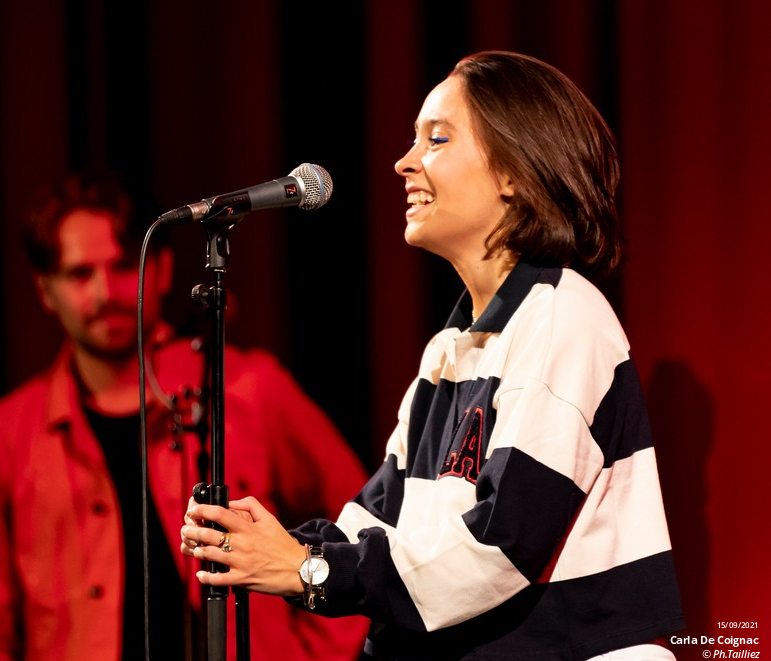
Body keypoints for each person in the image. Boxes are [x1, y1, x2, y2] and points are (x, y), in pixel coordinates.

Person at [180, 51, 685, 661]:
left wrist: (309, 570)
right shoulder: (449, 351)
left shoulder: (563, 315)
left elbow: (502, 545)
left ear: (514, 172)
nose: (404, 162)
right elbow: (380, 522)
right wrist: (270, 543)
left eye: (436, 139)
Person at [0, 169, 370, 661]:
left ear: (162, 269)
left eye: (124, 265)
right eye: (81, 274)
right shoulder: (0, 439)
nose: (106, 293)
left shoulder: (251, 387)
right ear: (45, 290)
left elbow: (363, 525)